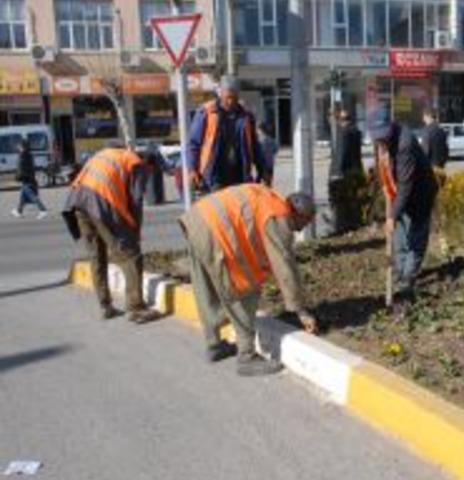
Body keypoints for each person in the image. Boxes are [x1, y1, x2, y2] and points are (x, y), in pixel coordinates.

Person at [178, 184, 319, 376]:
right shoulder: (279, 216)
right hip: (215, 232)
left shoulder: (271, 198)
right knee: (243, 287)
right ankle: (247, 357)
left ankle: (214, 344)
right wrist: (299, 310)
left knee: (206, 287)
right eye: (306, 222)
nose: (303, 229)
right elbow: (284, 266)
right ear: (300, 215)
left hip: (197, 220)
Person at [62, 142, 161, 323]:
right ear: (149, 164)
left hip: (78, 202)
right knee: (131, 254)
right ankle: (136, 308)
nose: (149, 178)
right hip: (100, 202)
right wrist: (135, 233)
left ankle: (105, 306)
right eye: (151, 173)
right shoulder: (136, 163)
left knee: (96, 255)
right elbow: (136, 201)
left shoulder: (107, 153)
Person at [367, 107, 438, 311]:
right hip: (398, 195)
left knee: (415, 239)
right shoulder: (380, 142)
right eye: (378, 137)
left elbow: (406, 185)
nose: (381, 140)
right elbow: (383, 169)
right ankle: (399, 274)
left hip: (419, 196)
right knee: (399, 238)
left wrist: (391, 216)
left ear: (390, 127)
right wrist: (388, 200)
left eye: (384, 136)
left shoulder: (405, 143)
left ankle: (407, 282)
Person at [186, 75, 271, 193]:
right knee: (219, 209)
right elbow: (193, 144)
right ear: (220, 94)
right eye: (228, 98)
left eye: (234, 98)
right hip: (214, 175)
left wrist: (263, 170)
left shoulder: (246, 116)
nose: (231, 102)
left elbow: (254, 146)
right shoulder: (206, 112)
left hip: (240, 175)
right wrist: (192, 169)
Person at [328, 109, 366, 234]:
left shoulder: (343, 133)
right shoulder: (356, 132)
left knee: (340, 203)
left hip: (343, 173)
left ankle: (341, 227)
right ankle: (354, 224)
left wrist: (336, 173)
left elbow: (341, 153)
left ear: (340, 120)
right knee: (353, 200)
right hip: (355, 170)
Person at [11, 139, 48, 219]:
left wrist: (17, 177)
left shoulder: (22, 156)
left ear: (22, 146)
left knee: (33, 196)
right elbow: (30, 167)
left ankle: (43, 210)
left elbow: (21, 168)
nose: (17, 147)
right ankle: (18, 211)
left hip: (27, 179)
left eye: (19, 146)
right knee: (23, 198)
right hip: (30, 179)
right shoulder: (29, 155)